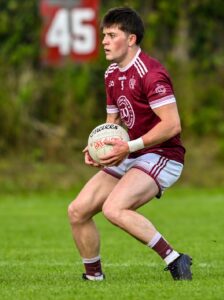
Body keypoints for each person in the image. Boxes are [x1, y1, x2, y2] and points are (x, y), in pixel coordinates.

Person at [68, 7, 192, 281]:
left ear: (131, 38)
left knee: (114, 208)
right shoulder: (111, 74)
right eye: (104, 35)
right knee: (77, 211)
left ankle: (176, 259)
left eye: (112, 35)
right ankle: (94, 277)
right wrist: (97, 148)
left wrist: (130, 147)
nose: (104, 41)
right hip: (131, 152)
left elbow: (172, 125)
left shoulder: (151, 73)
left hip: (163, 154)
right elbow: (112, 123)